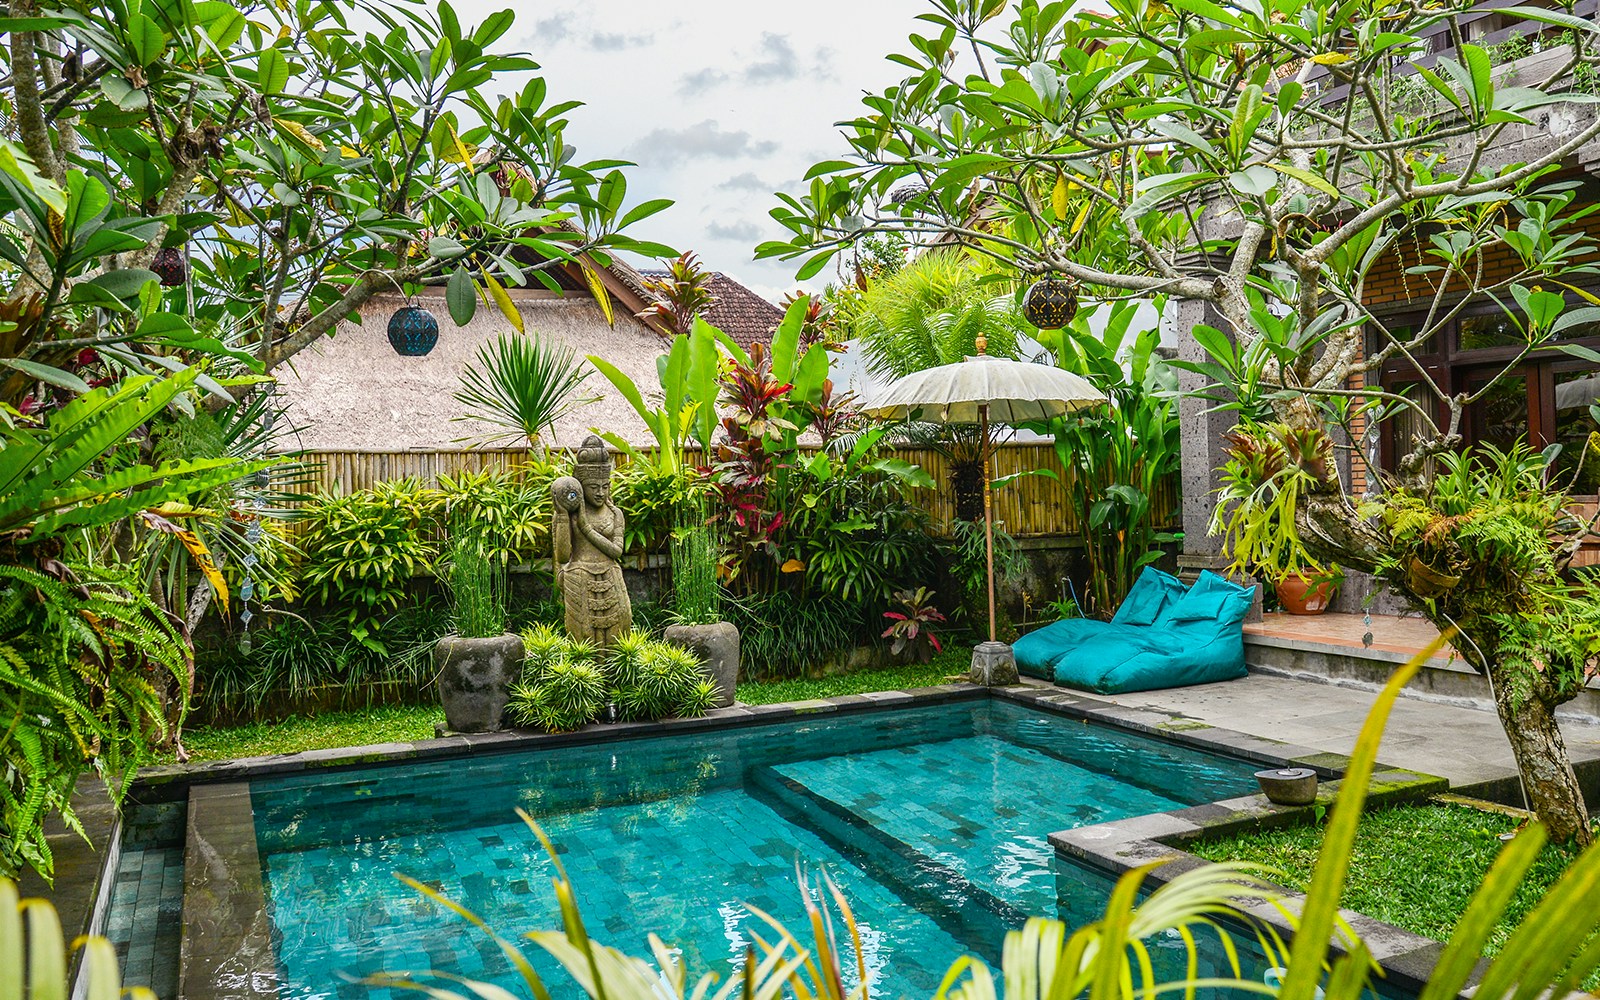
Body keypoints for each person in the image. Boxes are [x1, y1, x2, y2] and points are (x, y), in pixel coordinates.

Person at [552, 435, 632, 647]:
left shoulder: (615, 514)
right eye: (593, 487)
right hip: (579, 576)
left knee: (619, 632)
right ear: (580, 487)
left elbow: (616, 551)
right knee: (583, 636)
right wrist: (562, 516)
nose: (600, 493)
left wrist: (586, 528)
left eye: (605, 486)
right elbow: (562, 556)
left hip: (611, 574)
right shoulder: (569, 515)